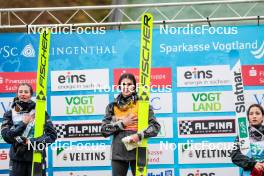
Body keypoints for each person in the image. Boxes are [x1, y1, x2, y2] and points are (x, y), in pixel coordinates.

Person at [101, 73, 161, 176]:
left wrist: (139, 136)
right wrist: (122, 124)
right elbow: (104, 130)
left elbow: (155, 127)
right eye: (123, 84)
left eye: (129, 84)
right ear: (119, 86)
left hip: (139, 152)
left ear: (134, 87)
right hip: (118, 154)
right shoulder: (112, 106)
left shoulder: (143, 105)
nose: (126, 87)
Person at [1, 83, 57, 176]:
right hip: (17, 159)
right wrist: (23, 124)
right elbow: (6, 137)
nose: (23, 94)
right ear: (17, 94)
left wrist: (31, 141)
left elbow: (52, 135)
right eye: (20, 91)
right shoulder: (9, 113)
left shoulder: (40, 112)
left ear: (31, 95)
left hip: (37, 157)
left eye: (26, 92)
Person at [231, 104, 264, 176]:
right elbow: (235, 155)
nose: (254, 116)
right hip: (248, 173)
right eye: (251, 114)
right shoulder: (243, 134)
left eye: (257, 113)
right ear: (248, 117)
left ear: (263, 117)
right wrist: (253, 164)